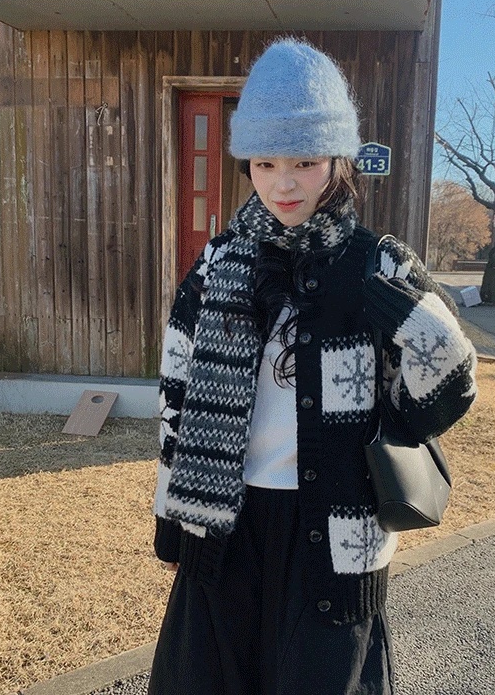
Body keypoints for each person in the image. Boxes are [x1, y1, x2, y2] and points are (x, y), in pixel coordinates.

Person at [149, 39, 477, 695]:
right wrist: (170, 519)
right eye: (265, 163)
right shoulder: (219, 264)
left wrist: (420, 327)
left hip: (335, 526)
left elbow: (437, 399)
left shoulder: (376, 263)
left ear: (337, 160)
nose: (284, 183)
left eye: (304, 161)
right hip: (226, 524)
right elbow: (176, 399)